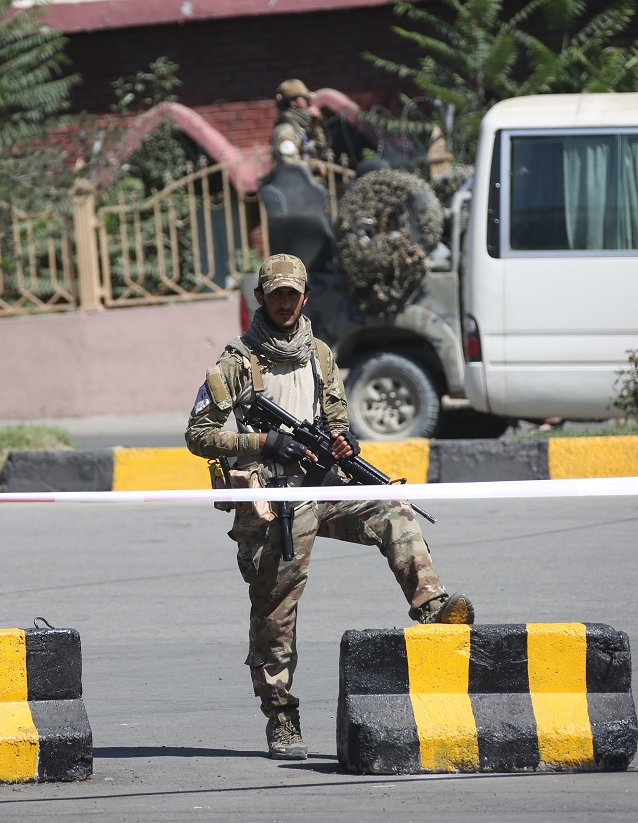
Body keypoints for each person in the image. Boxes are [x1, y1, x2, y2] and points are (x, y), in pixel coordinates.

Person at [185, 253, 474, 761]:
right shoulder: (235, 364)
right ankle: (280, 715)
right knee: (277, 609)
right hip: (271, 501)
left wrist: (344, 445)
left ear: (304, 298)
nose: (283, 302)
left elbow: (336, 421)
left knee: (391, 506)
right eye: (274, 293)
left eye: (291, 294)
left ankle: (432, 605)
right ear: (260, 298)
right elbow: (198, 435)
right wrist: (265, 443)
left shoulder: (319, 355)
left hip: (322, 486)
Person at [271, 79, 328, 171]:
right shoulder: (286, 130)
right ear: (293, 102)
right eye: (305, 99)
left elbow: (319, 151)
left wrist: (315, 125)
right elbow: (289, 164)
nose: (309, 103)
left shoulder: (301, 127)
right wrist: (314, 166)